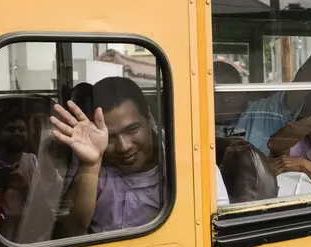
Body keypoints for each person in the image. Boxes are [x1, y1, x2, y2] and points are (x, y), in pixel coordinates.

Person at [51, 77, 228, 236]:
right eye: (110, 137)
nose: (124, 146)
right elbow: (69, 232)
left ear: (149, 117)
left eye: (132, 129)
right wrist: (90, 165)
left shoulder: (192, 161)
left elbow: (214, 235)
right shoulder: (90, 153)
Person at [213, 19, 311, 155]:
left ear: (242, 90)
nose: (225, 99)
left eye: (230, 91)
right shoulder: (195, 123)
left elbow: (300, 86)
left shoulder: (264, 112)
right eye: (217, 93)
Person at [0, 109, 62, 241]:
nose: (16, 133)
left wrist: (24, 186)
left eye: (21, 129)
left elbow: (54, 191)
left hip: (28, 237)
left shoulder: (34, 162)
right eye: (11, 129)